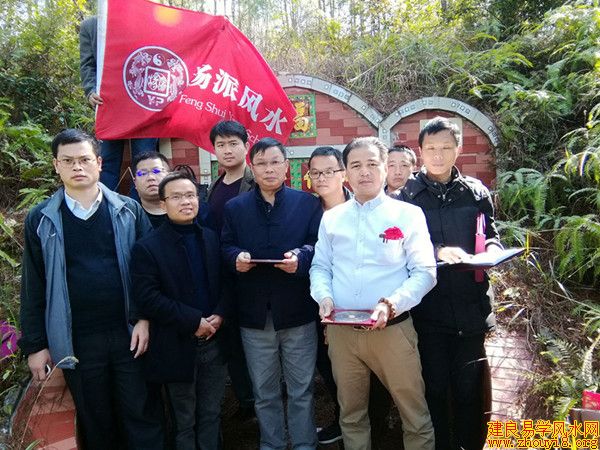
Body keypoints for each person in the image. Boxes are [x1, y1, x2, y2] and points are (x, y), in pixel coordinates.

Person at [18, 129, 162, 450]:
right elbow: (34, 285)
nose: (77, 167)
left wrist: (143, 318)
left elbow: (148, 274)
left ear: (99, 162)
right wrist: (35, 345)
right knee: (96, 420)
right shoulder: (41, 219)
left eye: (84, 159)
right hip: (77, 339)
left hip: (128, 333)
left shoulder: (128, 210)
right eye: (68, 161)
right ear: (56, 166)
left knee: (141, 412)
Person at [310, 136, 436, 450]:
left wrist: (392, 304)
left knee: (413, 412)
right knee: (351, 414)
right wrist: (324, 297)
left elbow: (425, 272)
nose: (364, 172)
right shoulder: (332, 218)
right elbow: (320, 266)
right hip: (342, 334)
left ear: (384, 168)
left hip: (392, 331)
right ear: (345, 173)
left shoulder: (408, 215)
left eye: (371, 164)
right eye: (355, 165)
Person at [399, 117, 502, 450]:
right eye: (431, 148)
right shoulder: (407, 197)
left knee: (469, 389)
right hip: (429, 310)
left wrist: (493, 250)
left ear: (458, 148)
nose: (438, 155)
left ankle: (470, 444)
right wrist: (438, 251)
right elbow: (398, 246)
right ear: (420, 150)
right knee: (435, 388)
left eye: (446, 147)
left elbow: (490, 234)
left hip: (471, 308)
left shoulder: (475, 192)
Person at [221, 137, 322, 450]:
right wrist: (235, 258)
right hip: (254, 314)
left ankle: (304, 445)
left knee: (302, 389)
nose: (269, 169)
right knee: (264, 392)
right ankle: (272, 444)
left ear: (286, 166)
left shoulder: (307, 203)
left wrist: (301, 257)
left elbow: (317, 245)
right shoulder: (235, 208)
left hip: (297, 310)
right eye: (261, 163)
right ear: (252, 167)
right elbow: (225, 245)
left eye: (275, 162)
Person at [131, 171, 229, 450]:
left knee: (211, 413)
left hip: (215, 341)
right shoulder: (147, 247)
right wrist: (193, 321)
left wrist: (221, 313)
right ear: (163, 204)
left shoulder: (211, 238)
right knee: (183, 419)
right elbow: (148, 297)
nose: (186, 202)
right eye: (176, 197)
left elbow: (227, 282)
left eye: (190, 195)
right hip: (176, 344)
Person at [306, 146, 392, 448]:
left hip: (375, 313)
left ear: (343, 173)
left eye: (329, 171)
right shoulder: (307, 209)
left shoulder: (367, 204)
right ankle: (346, 423)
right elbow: (317, 263)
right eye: (315, 172)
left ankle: (378, 426)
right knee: (336, 373)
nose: (322, 178)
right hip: (321, 305)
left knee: (377, 377)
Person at [206, 120, 255, 419]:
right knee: (231, 340)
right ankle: (245, 400)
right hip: (220, 274)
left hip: (249, 274)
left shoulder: (255, 182)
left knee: (253, 341)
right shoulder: (214, 186)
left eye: (233, 143)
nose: (227, 150)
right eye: (220, 145)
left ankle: (262, 399)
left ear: (246, 146)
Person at [79, 16, 157, 195]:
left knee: (144, 162)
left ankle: (138, 208)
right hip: (109, 106)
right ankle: (107, 206)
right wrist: (90, 91)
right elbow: (87, 64)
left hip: (142, 105)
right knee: (107, 162)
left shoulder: (144, 18)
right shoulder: (90, 25)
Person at [132, 151, 171, 228]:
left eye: (156, 171)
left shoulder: (186, 209)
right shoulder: (129, 217)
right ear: (135, 182)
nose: (150, 177)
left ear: (169, 176)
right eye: (143, 173)